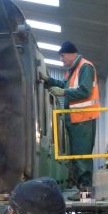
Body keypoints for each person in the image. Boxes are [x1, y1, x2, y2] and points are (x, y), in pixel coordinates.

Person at [41, 41, 100, 189]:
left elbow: (84, 91)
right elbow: (64, 84)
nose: (61, 59)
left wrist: (64, 92)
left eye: (62, 56)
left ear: (72, 54)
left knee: (82, 158)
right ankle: (82, 192)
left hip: (83, 119)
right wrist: (49, 80)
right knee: (77, 158)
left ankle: (86, 196)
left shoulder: (85, 67)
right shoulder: (72, 71)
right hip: (76, 120)